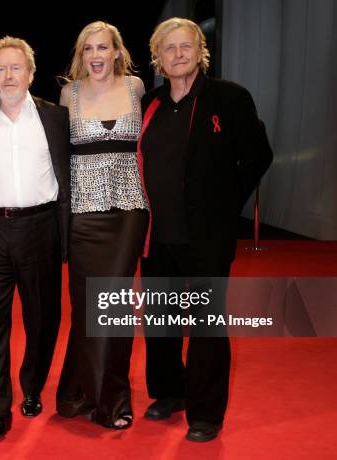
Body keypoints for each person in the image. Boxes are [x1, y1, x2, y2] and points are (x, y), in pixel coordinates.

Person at [138, 17, 273, 442]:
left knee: (205, 325)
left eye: (186, 46)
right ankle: (168, 393)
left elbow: (258, 156)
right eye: (169, 48)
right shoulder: (151, 104)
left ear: (201, 51)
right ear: (157, 57)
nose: (177, 54)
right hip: (155, 234)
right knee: (160, 322)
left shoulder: (229, 98)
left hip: (205, 239)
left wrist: (223, 206)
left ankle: (206, 413)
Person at [0, 36, 70, 440]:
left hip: (40, 229)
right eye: (1, 68)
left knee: (42, 319)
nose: (8, 76)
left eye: (16, 68)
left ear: (31, 73)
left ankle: (32, 386)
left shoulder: (56, 118)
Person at [56, 21, 150, 430]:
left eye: (103, 48)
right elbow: (57, 156)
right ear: (82, 55)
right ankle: (77, 390)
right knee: (84, 306)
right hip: (83, 214)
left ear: (116, 51)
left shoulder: (135, 88)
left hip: (129, 210)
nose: (96, 55)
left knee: (111, 306)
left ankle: (111, 400)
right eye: (88, 48)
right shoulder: (68, 94)